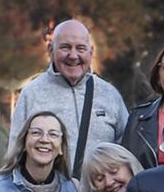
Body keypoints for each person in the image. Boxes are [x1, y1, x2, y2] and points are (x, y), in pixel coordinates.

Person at [11, 19, 127, 171]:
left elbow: (126, 151)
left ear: (91, 52)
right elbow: (15, 154)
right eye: (65, 47)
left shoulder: (109, 95)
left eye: (80, 48)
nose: (73, 56)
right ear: (51, 50)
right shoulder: (32, 94)